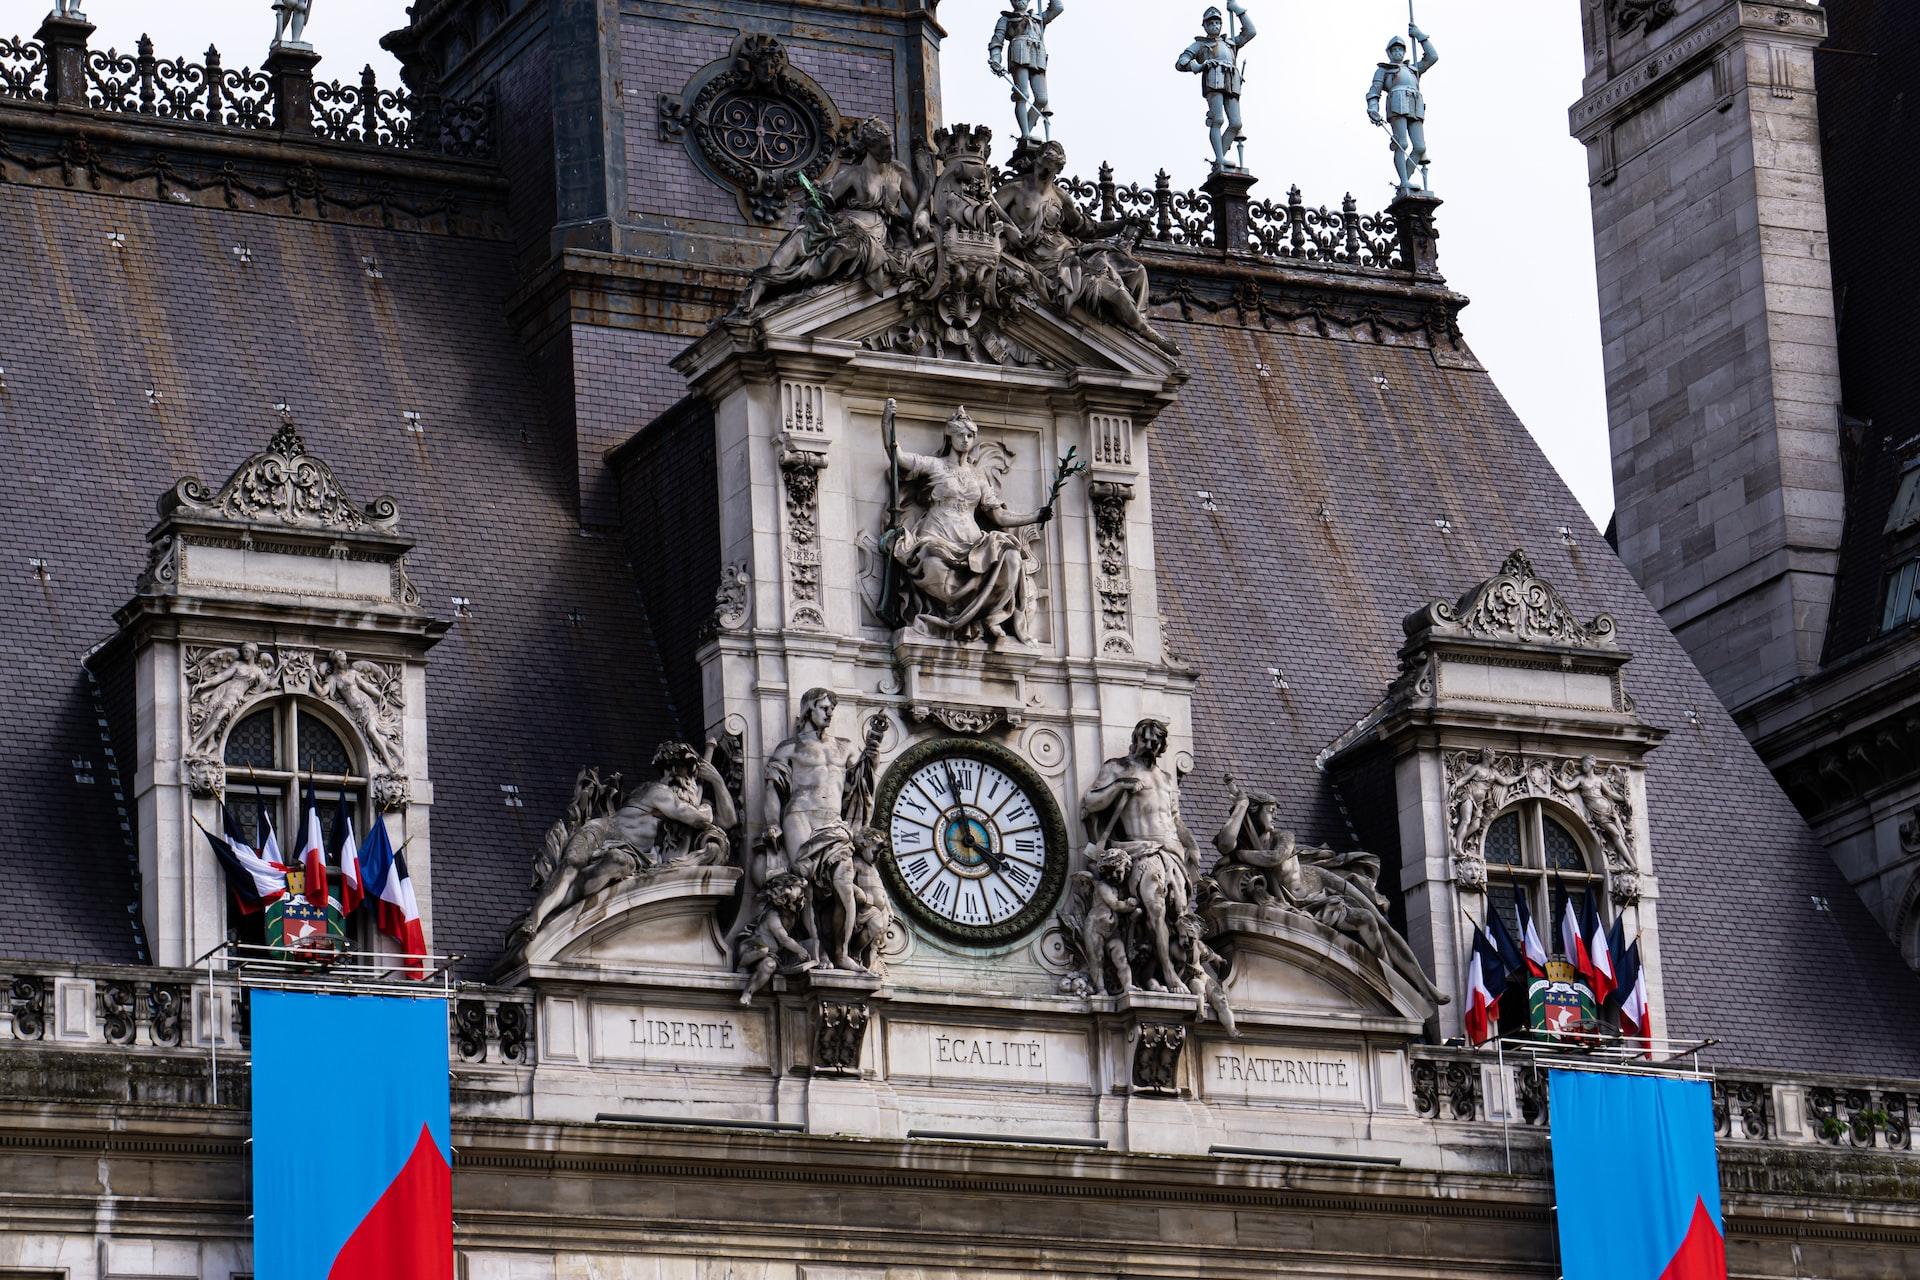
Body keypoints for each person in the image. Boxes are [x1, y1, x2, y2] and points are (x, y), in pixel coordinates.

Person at [886, 407, 1052, 648]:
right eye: (960, 435)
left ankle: (993, 617)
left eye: (970, 435)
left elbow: (998, 515)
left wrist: (1034, 516)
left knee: (1011, 556)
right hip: (938, 534)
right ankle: (952, 618)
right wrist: (887, 422)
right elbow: (898, 457)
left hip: (972, 541)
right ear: (949, 437)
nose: (965, 440)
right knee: (932, 565)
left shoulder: (978, 476)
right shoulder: (934, 465)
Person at [995, 143, 1174, 354]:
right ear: (1036, 161)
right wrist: (1007, 228)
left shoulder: (1061, 197)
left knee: (1136, 270)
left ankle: (1142, 328)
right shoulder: (1015, 189)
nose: (1044, 173)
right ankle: (1145, 335)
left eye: (1050, 169)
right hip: (1045, 263)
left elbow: (1087, 228)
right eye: (1042, 166)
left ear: (1058, 170)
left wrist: (1122, 223)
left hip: (1070, 253)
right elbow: (984, 212)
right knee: (1115, 293)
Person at [740, 117, 919, 312]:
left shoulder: (898, 171)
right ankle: (763, 282)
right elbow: (825, 200)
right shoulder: (853, 174)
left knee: (838, 252)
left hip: (871, 235)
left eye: (891, 145)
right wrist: (815, 194)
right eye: (885, 147)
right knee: (801, 235)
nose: (891, 151)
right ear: (870, 146)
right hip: (844, 226)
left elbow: (918, 205)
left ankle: (789, 281)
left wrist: (923, 215)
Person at [1082, 719, 1202, 992]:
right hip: (1141, 849)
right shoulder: (1117, 768)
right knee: (1155, 906)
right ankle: (1169, 975)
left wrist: (1192, 845)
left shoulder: (1166, 779)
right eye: (1145, 740)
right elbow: (1090, 802)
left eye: (1155, 742)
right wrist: (1120, 786)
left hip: (1171, 851)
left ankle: (1156, 973)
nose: (1149, 745)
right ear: (1135, 740)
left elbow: (1176, 820)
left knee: (1177, 914)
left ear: (1162, 746)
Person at [1175, 2, 1256, 172]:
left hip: (1231, 81)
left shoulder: (1230, 43)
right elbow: (1181, 62)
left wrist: (1237, 10)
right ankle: (1219, 159)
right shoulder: (1200, 44)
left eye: (1217, 22)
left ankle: (1220, 157)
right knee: (1217, 119)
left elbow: (1250, 32)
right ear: (1205, 26)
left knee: (1236, 123)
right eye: (1211, 23)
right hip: (1214, 79)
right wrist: (1197, 65)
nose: (1214, 26)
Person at [1367, 24, 1439, 194]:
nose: (1398, 53)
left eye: (1400, 50)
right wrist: (1373, 108)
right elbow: (1374, 91)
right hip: (1397, 103)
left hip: (1415, 104)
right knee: (1402, 143)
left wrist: (1419, 35)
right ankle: (1405, 182)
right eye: (1394, 50)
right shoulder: (1384, 70)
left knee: (1420, 148)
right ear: (1389, 53)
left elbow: (1433, 57)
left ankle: (1404, 181)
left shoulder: (1414, 69)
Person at [988, 0, 1065, 147]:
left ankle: (1026, 131)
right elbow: (997, 41)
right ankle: (1025, 134)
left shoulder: (1038, 18)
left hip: (1038, 55)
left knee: (1042, 99)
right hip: (1019, 53)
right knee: (1022, 95)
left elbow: (1058, 8)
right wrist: (995, 58)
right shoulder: (1006, 19)